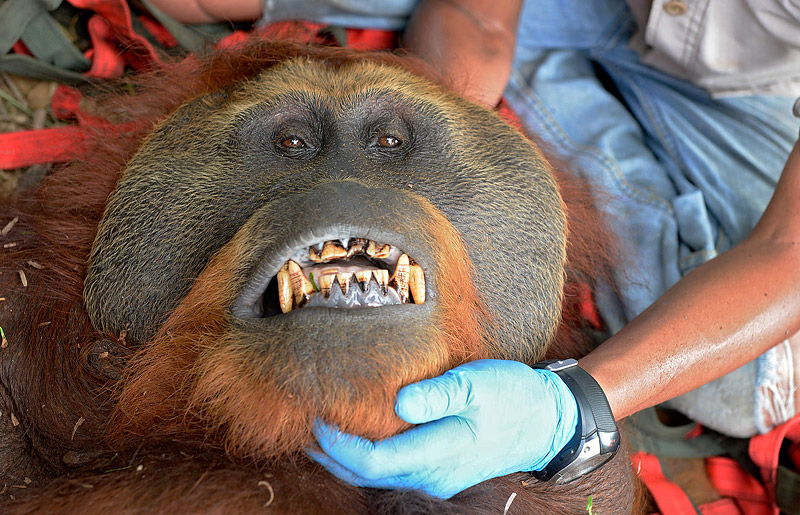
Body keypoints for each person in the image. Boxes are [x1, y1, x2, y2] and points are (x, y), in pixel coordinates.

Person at [150, 0, 800, 500]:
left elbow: (790, 250)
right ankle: (544, 75)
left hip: (758, 89)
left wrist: (571, 408)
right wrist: (427, 143)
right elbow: (476, 16)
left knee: (753, 380)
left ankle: (556, 85)